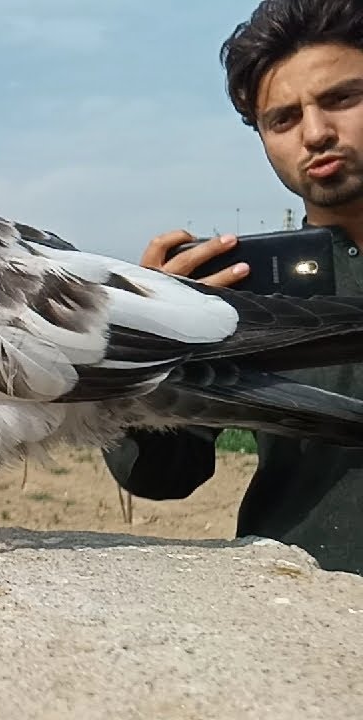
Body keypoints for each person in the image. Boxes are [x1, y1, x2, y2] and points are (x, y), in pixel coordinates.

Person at [103, 0, 363, 574]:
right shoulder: (233, 297)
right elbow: (161, 477)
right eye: (283, 119)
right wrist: (143, 346)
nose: (316, 133)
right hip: (305, 603)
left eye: (343, 98)